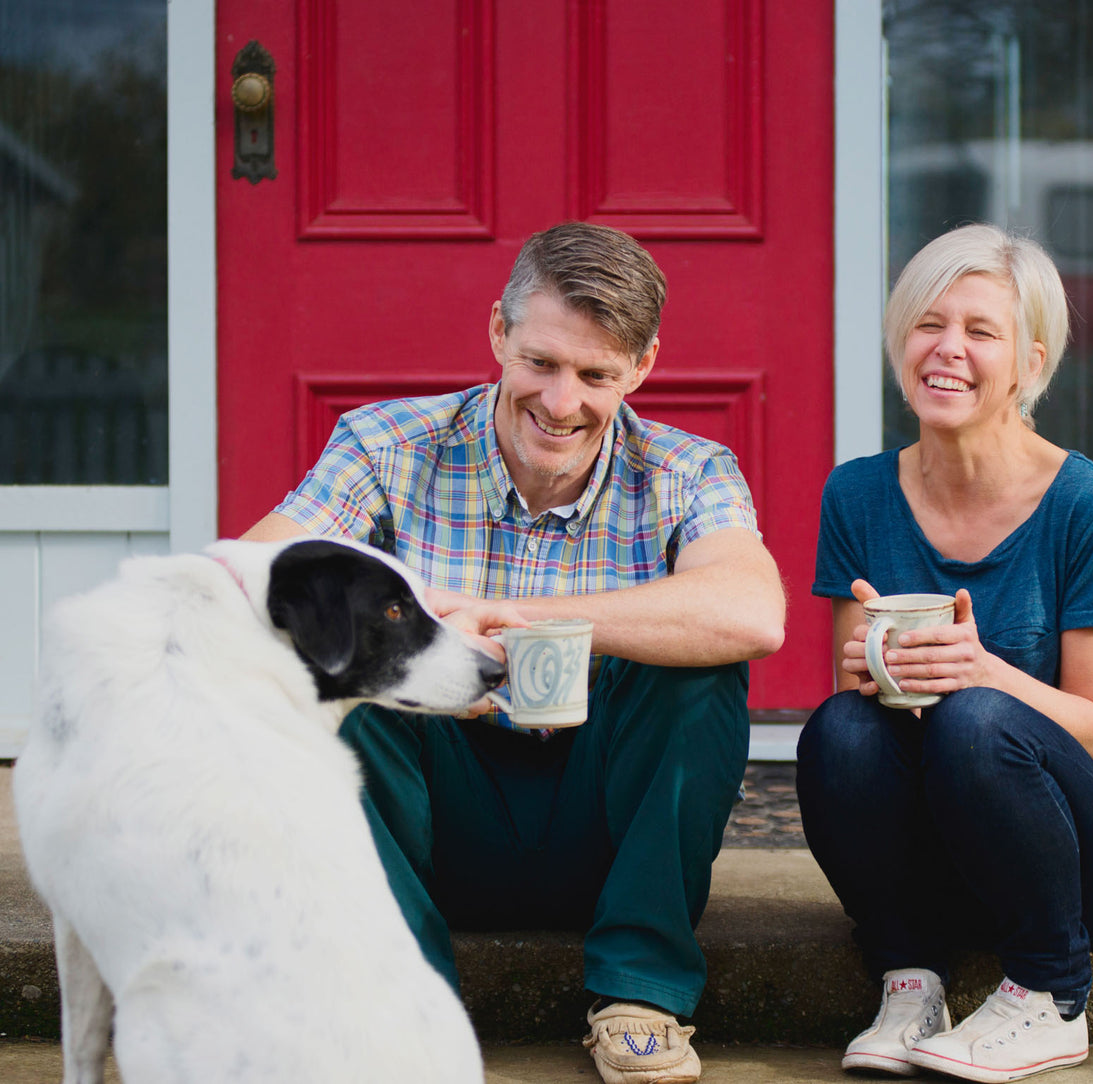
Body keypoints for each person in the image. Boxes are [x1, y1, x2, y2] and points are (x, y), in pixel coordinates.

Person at [243, 221, 786, 1084]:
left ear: (641, 367)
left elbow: (752, 613)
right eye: (541, 362)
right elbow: (257, 578)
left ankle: (640, 993)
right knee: (330, 669)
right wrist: (409, 631)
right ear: (499, 332)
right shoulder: (386, 445)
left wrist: (516, 614)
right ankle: (397, 1001)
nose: (561, 403)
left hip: (606, 830)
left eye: (595, 375)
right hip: (430, 816)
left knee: (701, 666)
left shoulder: (689, 469)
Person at [796, 223, 1093, 1082]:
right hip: (938, 862)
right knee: (837, 730)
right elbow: (860, 712)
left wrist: (982, 671)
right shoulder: (856, 494)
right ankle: (909, 982)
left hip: (1085, 865)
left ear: (1030, 363)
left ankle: (1049, 995)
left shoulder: (1090, 506)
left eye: (979, 331)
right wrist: (864, 674)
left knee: (975, 718)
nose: (946, 349)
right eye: (927, 324)